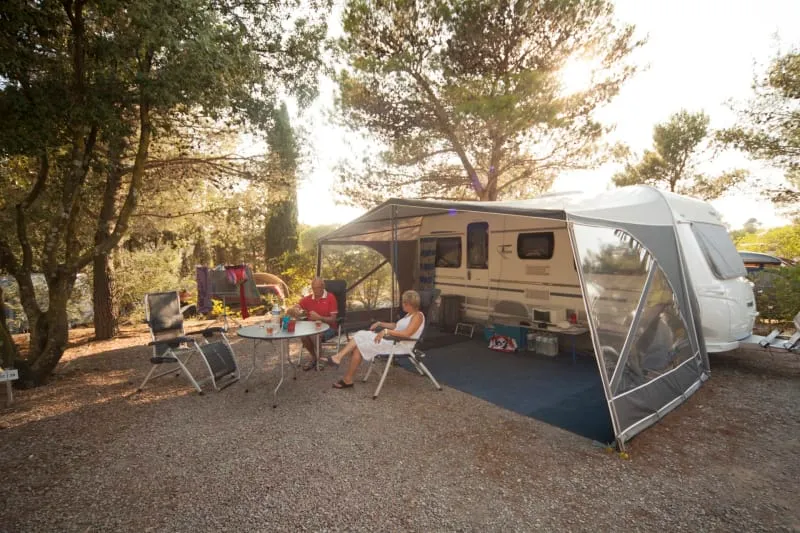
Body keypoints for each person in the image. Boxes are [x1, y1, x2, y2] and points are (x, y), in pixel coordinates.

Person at [328, 290, 425, 389]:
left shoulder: (418, 316)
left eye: (403, 302)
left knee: (358, 348)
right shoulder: (409, 315)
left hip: (399, 345)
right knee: (361, 334)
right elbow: (396, 326)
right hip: (392, 340)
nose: (402, 304)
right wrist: (380, 323)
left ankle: (347, 379)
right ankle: (338, 357)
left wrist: (386, 331)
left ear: (409, 304)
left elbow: (407, 334)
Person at [289, 277, 339, 370]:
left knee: (314, 335)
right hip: (311, 328)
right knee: (303, 336)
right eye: (313, 288)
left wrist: (319, 318)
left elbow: (333, 319)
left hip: (329, 328)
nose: (315, 290)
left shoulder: (330, 297)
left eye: (318, 288)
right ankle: (314, 357)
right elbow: (297, 306)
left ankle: (319, 359)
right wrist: (295, 309)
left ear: (323, 286)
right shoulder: (308, 299)